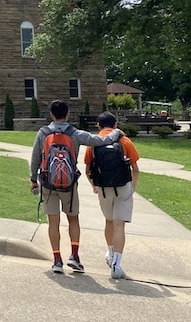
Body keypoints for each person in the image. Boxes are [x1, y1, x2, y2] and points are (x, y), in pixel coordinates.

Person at [29, 100, 121, 274]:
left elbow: (35, 159)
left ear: (51, 114)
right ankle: (75, 256)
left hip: (48, 183)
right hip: (69, 185)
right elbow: (100, 140)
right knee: (73, 219)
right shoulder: (75, 133)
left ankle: (57, 259)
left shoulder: (43, 133)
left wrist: (34, 179)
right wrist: (116, 133)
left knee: (53, 222)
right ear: (68, 114)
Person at [84, 111, 140, 279]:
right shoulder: (124, 141)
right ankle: (117, 263)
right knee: (119, 225)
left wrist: (94, 186)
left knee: (108, 221)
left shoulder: (93, 143)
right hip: (123, 186)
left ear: (98, 126)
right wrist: (133, 187)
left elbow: (87, 170)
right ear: (115, 125)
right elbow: (135, 169)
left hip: (103, 187)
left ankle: (109, 252)